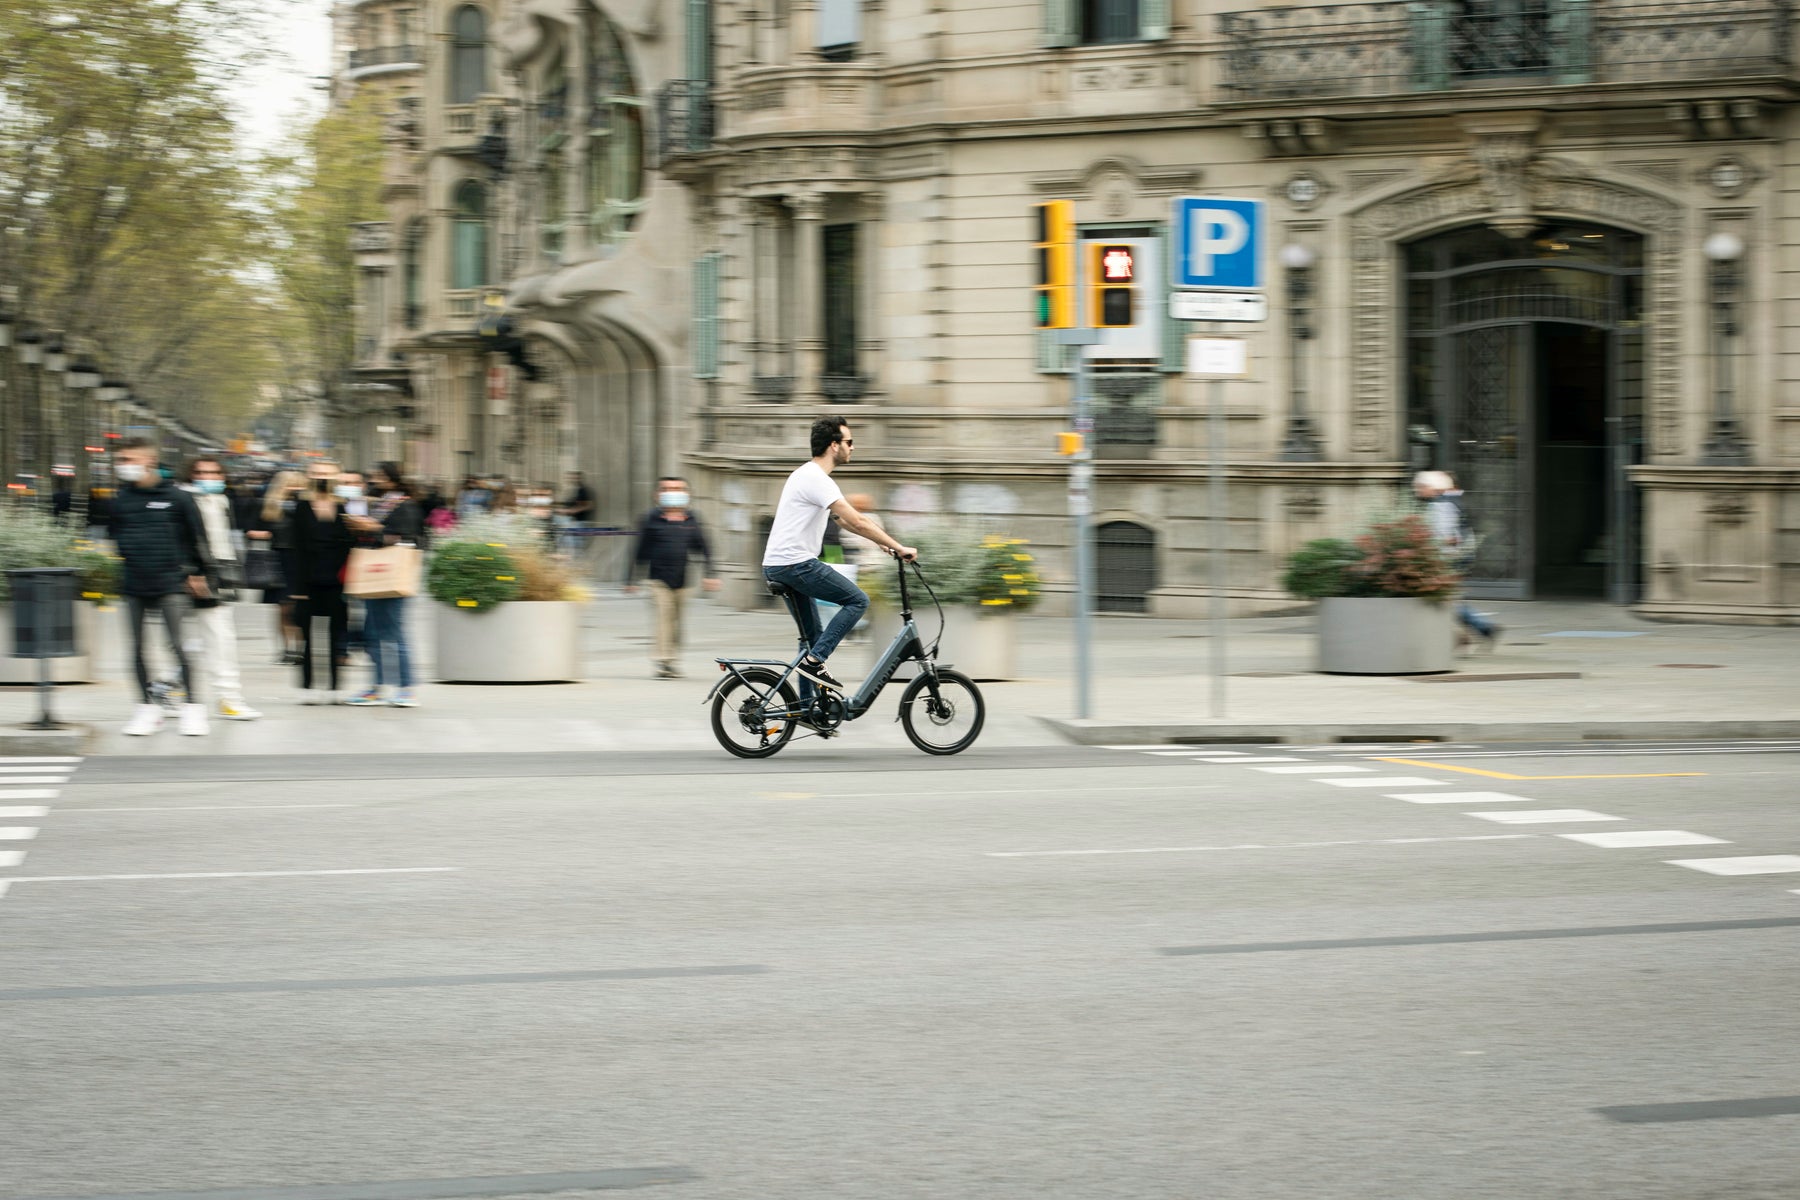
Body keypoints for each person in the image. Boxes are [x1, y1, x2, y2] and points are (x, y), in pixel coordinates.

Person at [762, 417, 915, 694]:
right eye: (849, 442)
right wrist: (900, 546)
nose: (852, 448)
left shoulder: (807, 476)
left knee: (812, 638)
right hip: (795, 564)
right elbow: (857, 520)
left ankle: (805, 706)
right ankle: (815, 662)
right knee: (857, 600)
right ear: (834, 446)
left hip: (781, 564)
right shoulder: (816, 479)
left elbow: (842, 521)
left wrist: (883, 544)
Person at [107, 439, 213, 737]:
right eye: (121, 460)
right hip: (133, 582)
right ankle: (146, 709)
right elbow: (115, 536)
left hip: (172, 582)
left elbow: (197, 538)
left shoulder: (178, 498)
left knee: (178, 646)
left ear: (149, 461)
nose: (123, 465)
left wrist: (199, 573)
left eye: (128, 459)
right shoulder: (119, 499)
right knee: (136, 648)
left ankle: (193, 708)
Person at [186, 456, 263, 721]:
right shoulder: (184, 500)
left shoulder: (223, 502)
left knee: (219, 637)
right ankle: (172, 691)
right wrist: (193, 572)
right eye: (201, 472)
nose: (208, 478)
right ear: (192, 475)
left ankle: (228, 697)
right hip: (192, 575)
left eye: (214, 473)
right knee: (187, 639)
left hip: (220, 573)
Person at [623, 476, 720, 679]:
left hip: (683, 581)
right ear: (658, 494)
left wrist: (710, 574)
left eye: (677, 488)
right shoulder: (650, 519)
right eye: (667, 489)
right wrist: (630, 579)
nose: (672, 492)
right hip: (658, 580)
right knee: (663, 619)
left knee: (677, 623)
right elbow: (638, 550)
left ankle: (671, 659)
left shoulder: (692, 519)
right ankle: (663, 660)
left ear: (687, 494)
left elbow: (704, 548)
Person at [346, 461, 422, 708]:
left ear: (392, 477)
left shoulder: (405, 504)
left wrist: (374, 528)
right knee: (372, 633)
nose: (375, 479)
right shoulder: (379, 502)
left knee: (394, 632)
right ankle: (377, 687)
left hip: (392, 573)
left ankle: (406, 689)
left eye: (380, 475)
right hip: (374, 574)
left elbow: (405, 536)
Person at [290, 459, 356, 702]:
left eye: (327, 473)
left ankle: (335, 688)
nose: (322, 477)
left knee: (335, 635)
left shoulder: (344, 506)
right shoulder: (301, 507)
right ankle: (308, 687)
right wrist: (297, 588)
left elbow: (352, 544)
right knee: (307, 638)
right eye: (317, 472)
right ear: (309, 475)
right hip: (308, 581)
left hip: (337, 581)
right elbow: (296, 548)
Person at [1415, 469, 1501, 651]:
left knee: (1445, 599)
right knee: (1448, 599)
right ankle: (1472, 632)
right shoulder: (1452, 501)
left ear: (1433, 488)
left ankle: (1477, 630)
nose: (1419, 490)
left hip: (1448, 559)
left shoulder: (1441, 505)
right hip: (1457, 558)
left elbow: (1446, 537)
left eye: (1422, 487)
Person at [259, 470, 308, 664]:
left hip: (300, 560)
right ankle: (288, 648)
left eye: (298, 485)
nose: (294, 489)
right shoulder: (272, 507)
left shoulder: (307, 507)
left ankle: (301, 648)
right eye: (290, 484)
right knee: (282, 609)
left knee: (299, 610)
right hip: (280, 559)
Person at [558, 470, 596, 556]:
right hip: (574, 521)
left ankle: (579, 563)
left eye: (576, 478)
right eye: (572, 478)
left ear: (580, 478)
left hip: (580, 521)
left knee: (577, 545)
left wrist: (571, 511)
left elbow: (589, 505)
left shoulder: (583, 490)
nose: (573, 479)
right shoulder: (576, 490)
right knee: (572, 544)